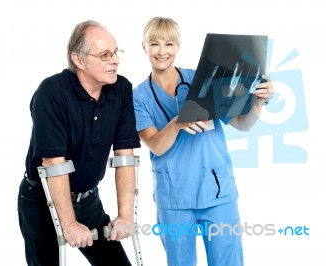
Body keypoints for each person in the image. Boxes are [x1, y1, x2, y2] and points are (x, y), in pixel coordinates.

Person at [133, 17, 274, 266]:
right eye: (154, 44)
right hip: (175, 197)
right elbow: (155, 144)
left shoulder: (203, 79)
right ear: (144, 46)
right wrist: (178, 122)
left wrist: (260, 102)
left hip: (217, 192)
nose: (162, 51)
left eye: (169, 44)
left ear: (178, 46)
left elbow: (242, 124)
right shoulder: (138, 97)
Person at [17, 20, 141, 266]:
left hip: (88, 200)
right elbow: (53, 163)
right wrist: (69, 223)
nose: (115, 60)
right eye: (105, 54)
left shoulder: (121, 89)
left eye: (116, 52)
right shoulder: (51, 93)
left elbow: (125, 155)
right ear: (79, 60)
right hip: (43, 201)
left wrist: (126, 215)